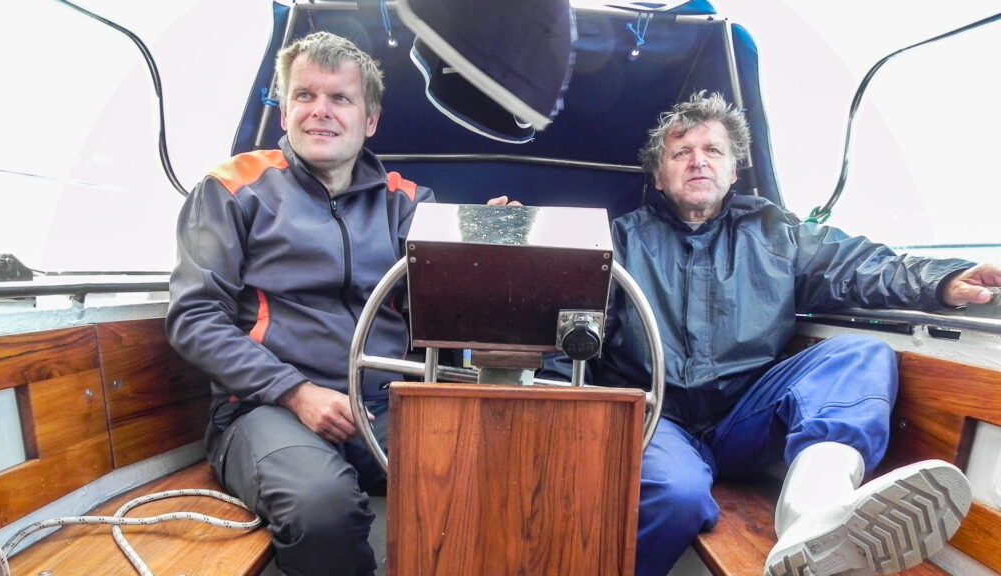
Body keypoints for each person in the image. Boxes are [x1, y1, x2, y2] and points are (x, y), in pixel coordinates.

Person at [545, 90, 1001, 576]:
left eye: (713, 151)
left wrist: (943, 281)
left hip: (748, 416)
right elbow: (570, 336)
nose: (698, 161)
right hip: (658, 420)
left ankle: (810, 515)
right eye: (681, 152)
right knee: (677, 498)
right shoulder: (617, 242)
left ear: (733, 171)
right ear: (658, 177)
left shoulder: (774, 231)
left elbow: (857, 266)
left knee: (862, 353)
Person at [166, 31, 513, 576]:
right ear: (284, 111)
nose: (320, 111)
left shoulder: (407, 202)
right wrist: (295, 392)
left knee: (502, 478)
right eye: (305, 96)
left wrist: (482, 255)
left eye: (340, 98)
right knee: (321, 508)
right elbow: (194, 318)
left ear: (369, 120)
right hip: (267, 409)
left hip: (388, 404)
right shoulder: (232, 189)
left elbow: (448, 306)